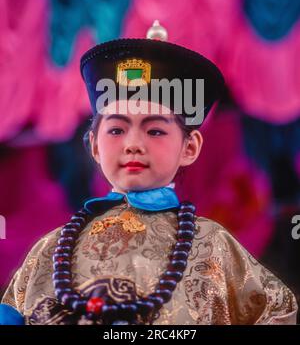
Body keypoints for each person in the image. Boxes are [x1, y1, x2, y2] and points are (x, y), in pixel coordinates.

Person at [0, 21, 298, 325]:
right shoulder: (53, 249)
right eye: (116, 129)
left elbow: (279, 314)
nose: (133, 145)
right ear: (94, 145)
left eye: (155, 131)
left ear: (189, 147)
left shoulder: (212, 245)